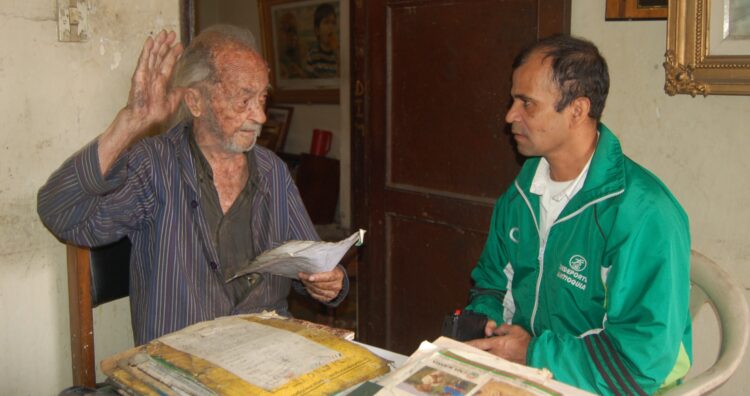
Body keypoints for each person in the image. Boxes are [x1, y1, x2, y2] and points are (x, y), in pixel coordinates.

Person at [37, 25, 348, 345]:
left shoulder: (272, 171)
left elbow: (311, 260)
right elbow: (62, 214)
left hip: (267, 349)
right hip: (183, 358)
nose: (260, 116)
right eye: (244, 99)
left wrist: (329, 282)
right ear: (196, 101)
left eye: (262, 97)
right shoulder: (153, 165)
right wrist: (131, 121)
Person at [463, 35, 692, 395]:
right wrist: (486, 321)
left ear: (577, 110)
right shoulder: (522, 194)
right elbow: (492, 282)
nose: (510, 116)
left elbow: (640, 362)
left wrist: (533, 352)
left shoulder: (641, 212)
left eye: (527, 103)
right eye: (513, 100)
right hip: (537, 372)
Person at [304, 3, 339, 78]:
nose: (330, 27)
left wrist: (338, 55)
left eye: (333, 23)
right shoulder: (312, 54)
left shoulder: (338, 53)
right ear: (317, 31)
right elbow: (309, 80)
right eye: (326, 22)